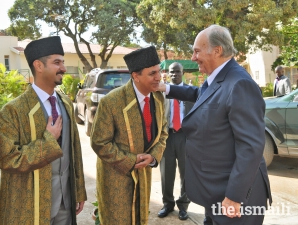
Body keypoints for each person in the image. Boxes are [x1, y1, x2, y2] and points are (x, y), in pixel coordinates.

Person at [159, 24, 272, 225]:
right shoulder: (220, 78)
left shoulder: (239, 84)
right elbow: (200, 95)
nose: (193, 58)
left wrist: (235, 196)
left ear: (217, 50)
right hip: (216, 190)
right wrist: (165, 88)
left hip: (235, 198)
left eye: (196, 51)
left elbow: (251, 146)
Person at [0, 36, 87, 225]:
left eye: (63, 62)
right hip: (30, 205)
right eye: (57, 62)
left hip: (65, 203)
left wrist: (79, 189)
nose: (63, 68)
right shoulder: (12, 111)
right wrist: (48, 142)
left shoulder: (66, 103)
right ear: (38, 65)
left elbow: (75, 151)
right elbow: (8, 160)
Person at [90, 46, 168, 225]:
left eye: (159, 71)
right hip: (117, 179)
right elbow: (99, 142)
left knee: (140, 219)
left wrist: (153, 157)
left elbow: (163, 133)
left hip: (143, 176)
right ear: (136, 76)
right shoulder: (112, 101)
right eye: (152, 73)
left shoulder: (158, 98)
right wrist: (130, 161)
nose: (159, 77)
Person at [158, 62, 193, 220]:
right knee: (166, 172)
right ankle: (168, 204)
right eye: (172, 72)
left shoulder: (190, 92)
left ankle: (183, 206)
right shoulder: (162, 92)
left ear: (182, 72)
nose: (174, 75)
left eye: (177, 72)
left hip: (186, 137)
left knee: (186, 173)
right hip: (168, 137)